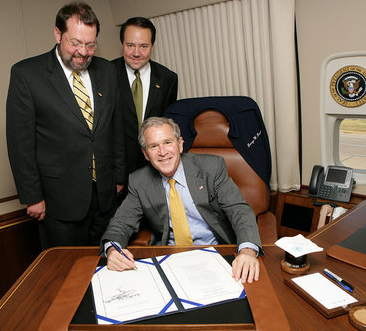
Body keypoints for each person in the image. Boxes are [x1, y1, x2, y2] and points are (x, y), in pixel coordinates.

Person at [6, 1, 125, 247]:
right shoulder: (27, 75)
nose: (83, 52)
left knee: (107, 267)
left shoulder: (107, 71)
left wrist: (119, 176)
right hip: (58, 200)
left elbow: (116, 128)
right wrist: (32, 197)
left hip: (105, 195)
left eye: (90, 45)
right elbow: (21, 143)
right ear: (58, 34)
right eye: (75, 43)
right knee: (68, 275)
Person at [101, 117, 263, 283]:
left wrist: (248, 251)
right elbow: (121, 223)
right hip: (170, 258)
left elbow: (239, 210)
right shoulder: (139, 181)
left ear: (180, 144)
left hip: (217, 252)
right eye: (154, 146)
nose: (162, 152)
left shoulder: (211, 168)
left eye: (168, 142)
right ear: (145, 154)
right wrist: (112, 250)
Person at [112, 17, 178, 177]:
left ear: (152, 46)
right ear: (122, 44)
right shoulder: (106, 74)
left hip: (155, 165)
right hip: (117, 168)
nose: (136, 53)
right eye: (130, 45)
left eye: (143, 46)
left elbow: (166, 125)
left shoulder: (167, 78)